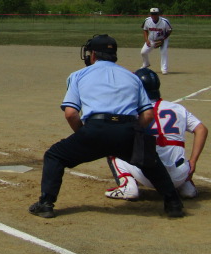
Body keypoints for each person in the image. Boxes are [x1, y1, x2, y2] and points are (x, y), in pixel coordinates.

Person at [28, 34, 184, 219]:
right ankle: (173, 203)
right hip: (127, 129)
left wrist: (85, 135)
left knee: (54, 156)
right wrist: (134, 133)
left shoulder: (78, 75)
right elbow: (148, 114)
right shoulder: (132, 77)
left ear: (93, 54)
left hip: (95, 129)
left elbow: (71, 113)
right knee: (150, 161)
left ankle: (46, 204)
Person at [106, 67, 208, 200]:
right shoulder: (177, 108)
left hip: (150, 176)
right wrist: (193, 161)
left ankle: (127, 185)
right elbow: (202, 129)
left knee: (113, 150)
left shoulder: (133, 111)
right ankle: (185, 186)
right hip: (180, 174)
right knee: (174, 154)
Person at [141, 7, 172, 74]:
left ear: (158, 14)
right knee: (143, 52)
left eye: (155, 14)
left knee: (163, 52)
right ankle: (146, 63)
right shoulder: (147, 20)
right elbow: (145, 30)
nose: (154, 16)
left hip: (163, 39)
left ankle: (164, 69)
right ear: (150, 14)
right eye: (152, 14)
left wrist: (163, 38)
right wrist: (147, 40)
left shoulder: (164, 21)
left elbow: (169, 30)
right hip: (151, 39)